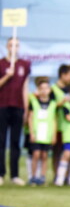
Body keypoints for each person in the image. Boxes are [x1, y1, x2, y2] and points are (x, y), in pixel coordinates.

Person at [0, 37, 31, 186]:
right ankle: (0, 174)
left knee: (15, 142)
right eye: (11, 45)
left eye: (17, 45)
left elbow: (25, 88)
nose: (14, 47)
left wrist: (26, 108)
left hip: (18, 107)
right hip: (2, 106)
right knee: (1, 141)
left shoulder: (24, 65)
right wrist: (7, 75)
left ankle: (15, 175)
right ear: (7, 46)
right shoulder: (1, 64)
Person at [27, 77, 57, 186]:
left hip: (47, 134)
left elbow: (53, 119)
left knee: (44, 155)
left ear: (50, 90)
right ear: (38, 90)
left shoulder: (53, 104)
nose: (44, 90)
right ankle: (33, 176)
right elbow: (30, 117)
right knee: (36, 154)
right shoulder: (34, 101)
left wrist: (53, 135)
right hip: (37, 132)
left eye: (46, 88)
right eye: (41, 88)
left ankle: (42, 177)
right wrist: (32, 132)